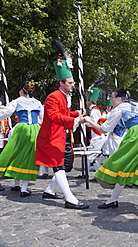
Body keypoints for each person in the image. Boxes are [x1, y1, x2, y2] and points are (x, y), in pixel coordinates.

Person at [35, 40, 88, 209]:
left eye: (73, 83)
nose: (73, 85)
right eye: (70, 83)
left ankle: (50, 191)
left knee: (63, 166)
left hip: (60, 137)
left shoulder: (64, 97)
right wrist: (74, 120)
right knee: (58, 167)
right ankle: (70, 199)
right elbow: (54, 116)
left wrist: (76, 114)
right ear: (61, 83)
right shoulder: (53, 97)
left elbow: (63, 114)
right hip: (50, 138)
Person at [85, 88, 138, 217]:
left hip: (135, 136)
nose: (111, 100)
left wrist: (88, 120)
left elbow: (104, 129)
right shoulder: (136, 105)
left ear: (119, 98)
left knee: (121, 166)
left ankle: (113, 200)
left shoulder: (119, 109)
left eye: (112, 97)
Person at [0, 83, 43, 196]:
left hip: (21, 129)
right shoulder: (38, 103)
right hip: (34, 130)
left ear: (22, 91)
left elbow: (4, 113)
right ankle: (22, 188)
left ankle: (16, 183)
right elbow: (43, 119)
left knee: (13, 154)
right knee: (28, 158)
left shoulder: (17, 101)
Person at [85, 87, 106, 172]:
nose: (86, 102)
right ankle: (98, 173)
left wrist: (84, 121)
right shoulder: (96, 110)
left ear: (90, 101)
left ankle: (99, 174)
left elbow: (94, 123)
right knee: (90, 158)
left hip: (97, 136)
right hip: (98, 135)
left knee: (89, 157)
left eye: (87, 101)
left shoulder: (93, 111)